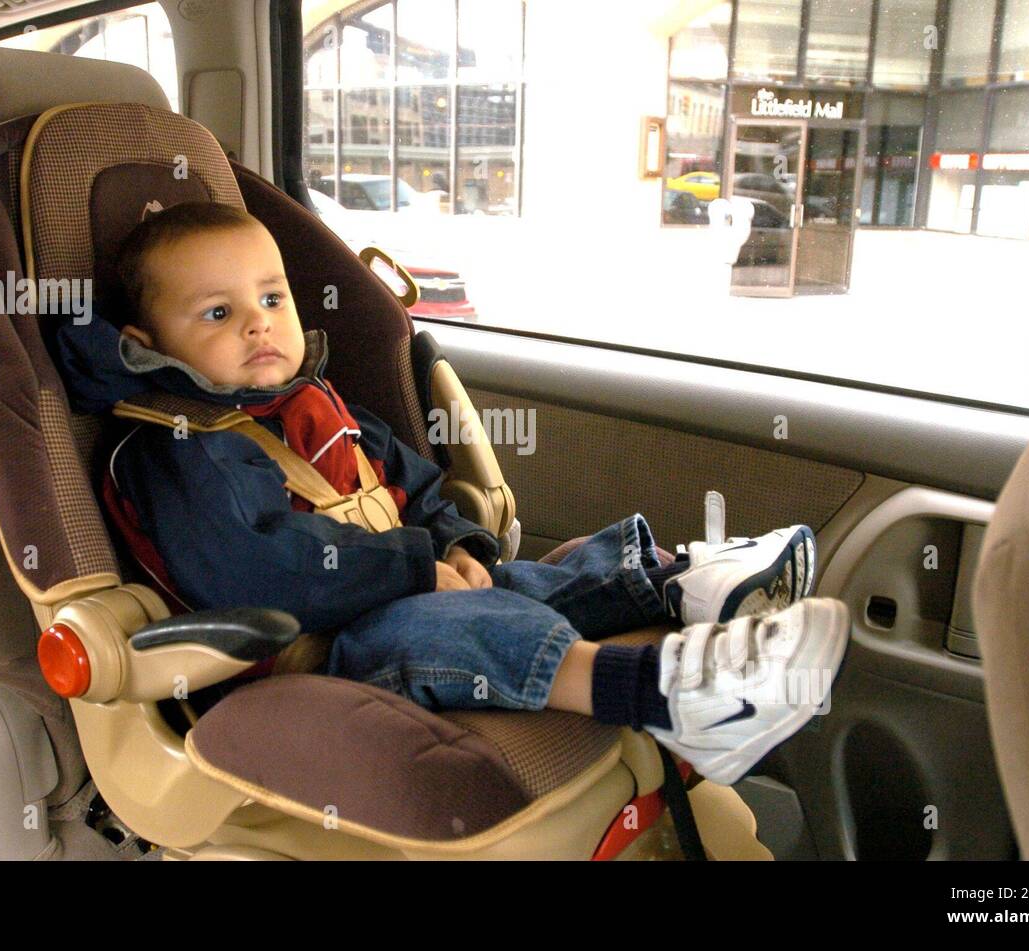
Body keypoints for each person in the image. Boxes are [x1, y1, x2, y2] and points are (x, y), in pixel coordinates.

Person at [53, 201, 849, 785]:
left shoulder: (320, 406)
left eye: (272, 299)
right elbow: (256, 572)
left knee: (517, 577)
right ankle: (669, 696)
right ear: (146, 345)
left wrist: (459, 544)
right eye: (219, 312)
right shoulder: (175, 448)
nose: (260, 326)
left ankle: (682, 584)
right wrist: (415, 570)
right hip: (305, 659)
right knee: (464, 622)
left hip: (393, 597)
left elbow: (418, 487)